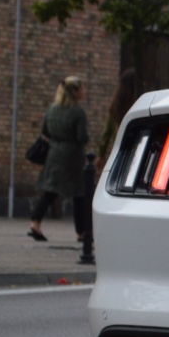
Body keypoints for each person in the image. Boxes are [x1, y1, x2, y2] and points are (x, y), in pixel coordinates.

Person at [27, 75, 90, 243]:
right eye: (82, 88)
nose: (84, 92)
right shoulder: (77, 112)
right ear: (75, 91)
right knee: (79, 193)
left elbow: (44, 131)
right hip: (73, 156)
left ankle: (35, 222)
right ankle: (82, 232)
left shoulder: (52, 109)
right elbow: (82, 137)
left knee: (50, 191)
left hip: (54, 154)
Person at [96, 68, 136, 169]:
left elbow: (106, 133)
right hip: (135, 152)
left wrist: (101, 154)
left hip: (119, 152)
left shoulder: (115, 106)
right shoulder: (137, 104)